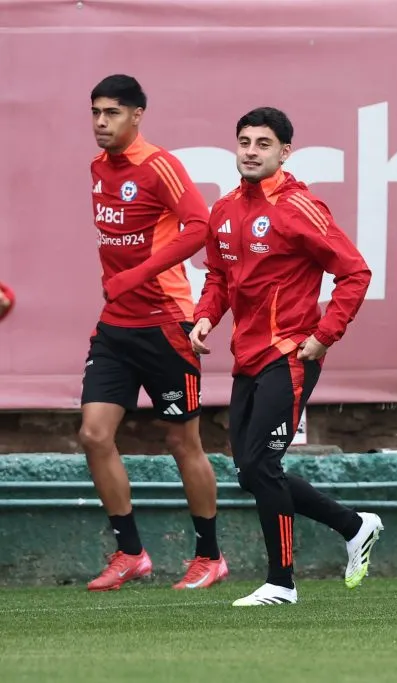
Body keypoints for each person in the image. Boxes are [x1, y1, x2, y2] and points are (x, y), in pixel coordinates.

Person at [189, 106, 383, 607]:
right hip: (246, 356)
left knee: (263, 463)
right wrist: (206, 315)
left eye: (263, 144)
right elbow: (218, 276)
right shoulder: (225, 208)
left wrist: (323, 336)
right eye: (244, 142)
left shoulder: (299, 206)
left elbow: (355, 273)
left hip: (291, 352)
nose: (251, 152)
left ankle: (281, 583)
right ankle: (354, 525)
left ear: (284, 152)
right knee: (251, 472)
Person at [83, 74, 227, 591]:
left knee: (182, 441)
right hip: (115, 328)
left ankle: (210, 557)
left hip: (167, 324)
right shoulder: (99, 167)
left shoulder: (159, 165)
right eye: (96, 112)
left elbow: (200, 225)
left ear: (137, 114)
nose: (102, 122)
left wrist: (135, 277)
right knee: (94, 434)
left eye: (113, 112)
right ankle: (131, 553)